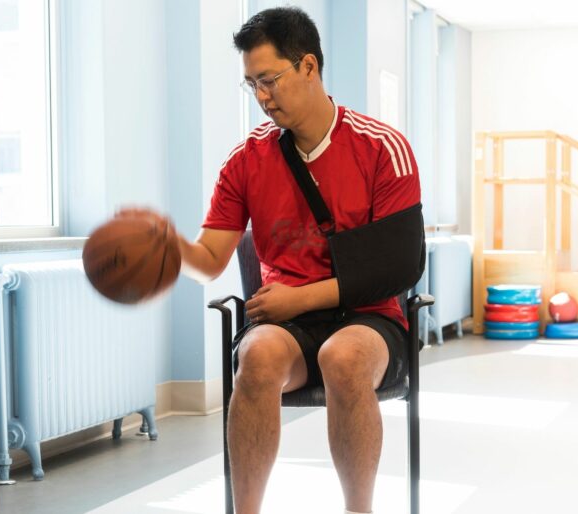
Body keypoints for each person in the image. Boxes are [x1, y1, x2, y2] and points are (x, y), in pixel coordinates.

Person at [177, 7, 421, 514]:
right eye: (251, 84)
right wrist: (164, 245)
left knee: (344, 358)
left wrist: (300, 297)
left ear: (309, 67)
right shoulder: (245, 160)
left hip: (370, 320)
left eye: (269, 79)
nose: (261, 97)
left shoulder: (383, 148)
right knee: (257, 358)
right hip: (286, 324)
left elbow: (399, 265)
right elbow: (207, 260)